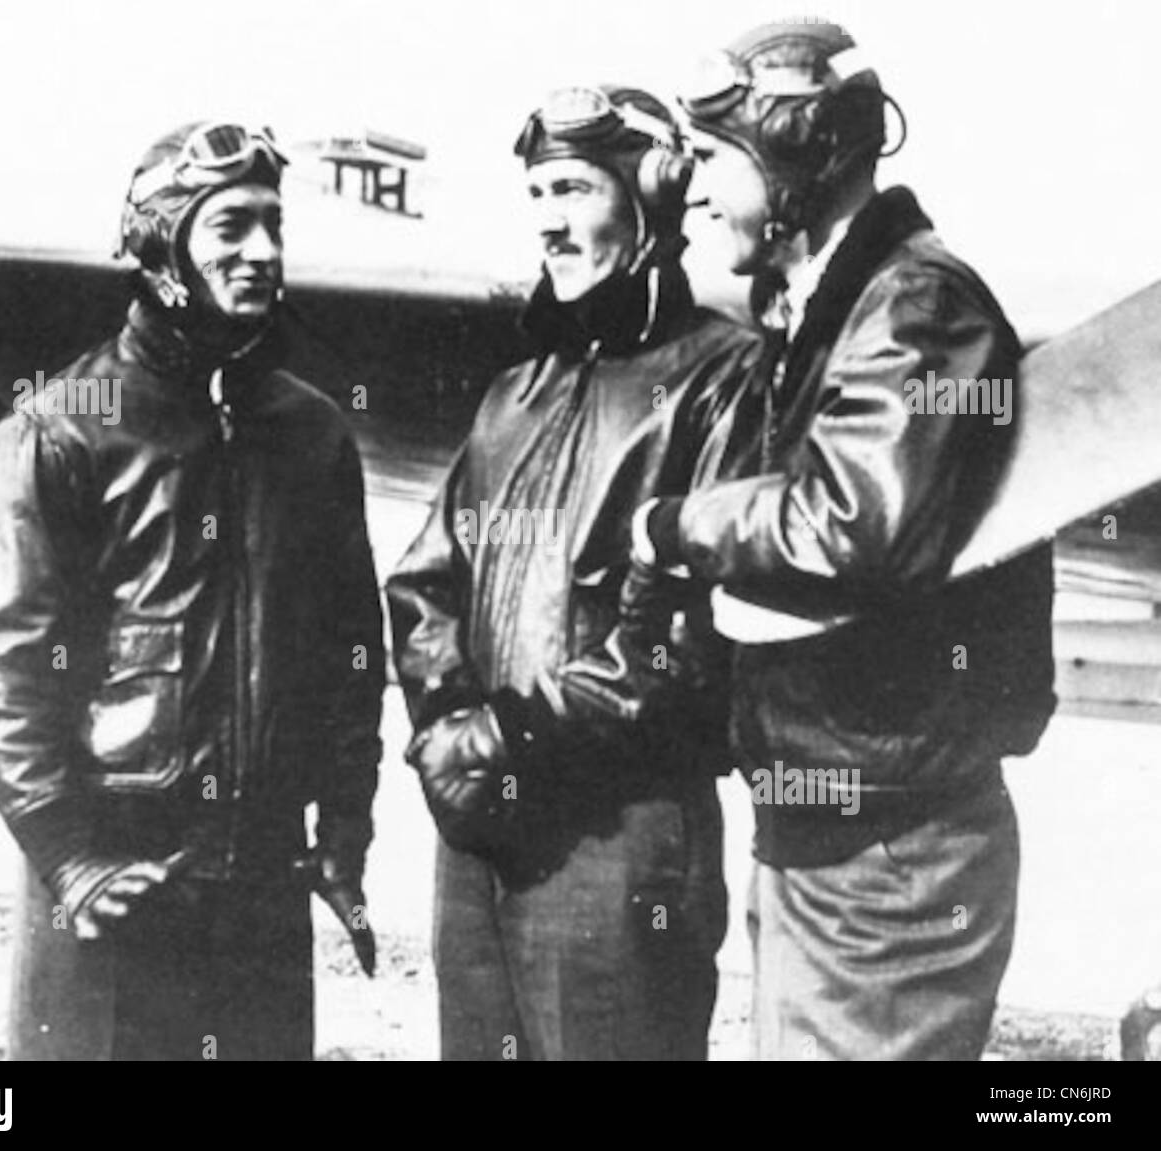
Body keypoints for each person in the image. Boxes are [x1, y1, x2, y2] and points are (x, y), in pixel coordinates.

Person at [628, 20, 1056, 1059]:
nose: (690, 188)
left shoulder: (913, 305)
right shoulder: (835, 310)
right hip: (835, 826)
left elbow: (853, 523)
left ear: (801, 153)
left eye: (716, 158)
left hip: (891, 853)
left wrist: (674, 527)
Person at [0, 122, 384, 1061]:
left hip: (261, 898)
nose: (263, 251)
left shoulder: (311, 434)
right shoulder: (64, 426)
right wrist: (70, 857)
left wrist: (348, 817)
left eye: (273, 224)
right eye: (230, 227)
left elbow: (353, 647)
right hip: (115, 890)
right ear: (161, 246)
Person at [385, 85, 758, 1060]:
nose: (548, 218)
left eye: (575, 188)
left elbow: (689, 641)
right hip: (477, 828)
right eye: (537, 191)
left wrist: (505, 731)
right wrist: (445, 726)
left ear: (651, 198)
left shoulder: (727, 381)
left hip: (620, 836)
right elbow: (426, 580)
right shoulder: (515, 394)